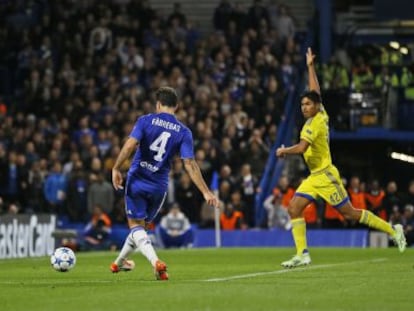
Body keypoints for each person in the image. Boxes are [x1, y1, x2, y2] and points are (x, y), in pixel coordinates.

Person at [275, 48, 407, 268]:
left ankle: (394, 230)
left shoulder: (314, 125)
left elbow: (301, 148)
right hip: (314, 176)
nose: (304, 107)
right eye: (302, 104)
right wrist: (310, 67)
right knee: (294, 208)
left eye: (307, 104)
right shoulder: (322, 112)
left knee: (350, 213)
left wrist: (283, 151)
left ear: (315, 107)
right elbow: (315, 90)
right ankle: (302, 254)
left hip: (326, 176)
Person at [110, 86, 219, 280]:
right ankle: (119, 263)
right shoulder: (184, 132)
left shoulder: (145, 121)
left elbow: (129, 145)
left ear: (158, 104)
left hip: (137, 180)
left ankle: (156, 263)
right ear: (176, 106)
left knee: (135, 226)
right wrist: (206, 192)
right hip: (159, 187)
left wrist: (116, 167)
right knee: (139, 229)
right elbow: (190, 164)